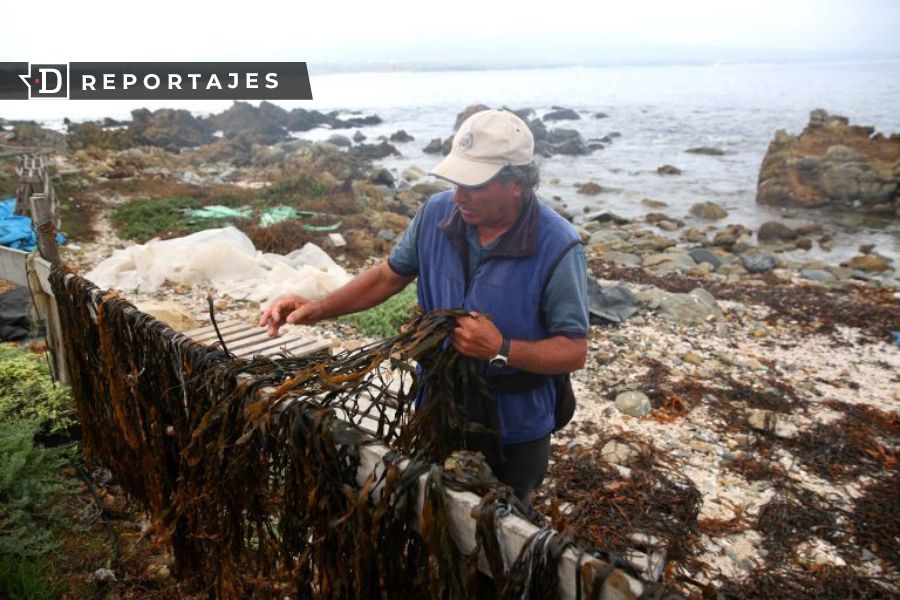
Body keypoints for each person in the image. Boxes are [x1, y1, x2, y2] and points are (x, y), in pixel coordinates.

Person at [259, 109, 589, 508]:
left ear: (515, 183)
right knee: (434, 509)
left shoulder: (558, 246)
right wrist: (317, 308)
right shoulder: (437, 214)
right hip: (437, 404)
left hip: (516, 425)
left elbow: (574, 350)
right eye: (455, 181)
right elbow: (387, 276)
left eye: (473, 184)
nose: (459, 195)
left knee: (505, 523)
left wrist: (501, 348)